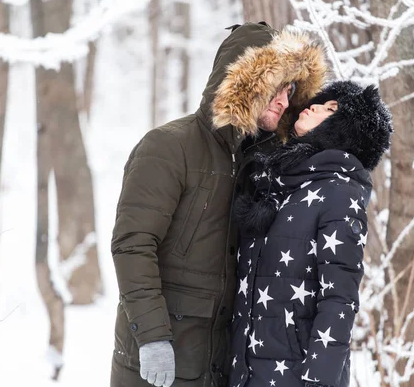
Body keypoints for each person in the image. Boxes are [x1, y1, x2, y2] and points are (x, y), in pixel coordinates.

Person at [110, 21, 328, 387]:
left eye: (290, 91)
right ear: (245, 83)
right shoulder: (167, 147)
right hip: (156, 365)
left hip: (218, 366)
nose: (284, 100)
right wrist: (151, 335)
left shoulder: (260, 163)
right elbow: (132, 244)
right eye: (277, 86)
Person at [229, 80, 393, 387]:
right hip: (247, 372)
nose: (312, 105)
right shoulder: (281, 184)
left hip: (297, 377)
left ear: (347, 130)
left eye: (330, 109)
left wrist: (320, 381)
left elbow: (340, 300)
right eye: (320, 102)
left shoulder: (340, 195)